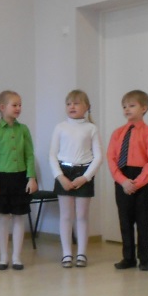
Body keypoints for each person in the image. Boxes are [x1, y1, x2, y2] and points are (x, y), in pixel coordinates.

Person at [106, 90, 148, 271]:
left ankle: (144, 259)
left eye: (131, 106)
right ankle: (128, 257)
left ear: (144, 108)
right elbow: (111, 158)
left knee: (143, 220)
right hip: (122, 178)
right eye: (124, 106)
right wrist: (122, 180)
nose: (127, 109)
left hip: (141, 179)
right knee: (125, 219)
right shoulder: (117, 133)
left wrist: (137, 182)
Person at [49, 89, 103, 268]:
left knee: (82, 216)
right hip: (64, 172)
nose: (72, 106)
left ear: (86, 107)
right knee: (66, 216)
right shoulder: (60, 127)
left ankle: (81, 253)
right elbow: (52, 155)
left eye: (76, 103)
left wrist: (85, 177)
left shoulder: (91, 128)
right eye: (68, 103)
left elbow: (98, 157)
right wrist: (60, 177)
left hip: (84, 172)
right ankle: (66, 253)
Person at [0, 90, 38, 270]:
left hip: (20, 178)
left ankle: (17, 257)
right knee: (3, 218)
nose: (18, 108)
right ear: (2, 107)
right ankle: (3, 257)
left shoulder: (23, 130)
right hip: (2, 179)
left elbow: (29, 155)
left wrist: (31, 177)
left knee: (18, 217)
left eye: (20, 105)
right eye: (14, 105)